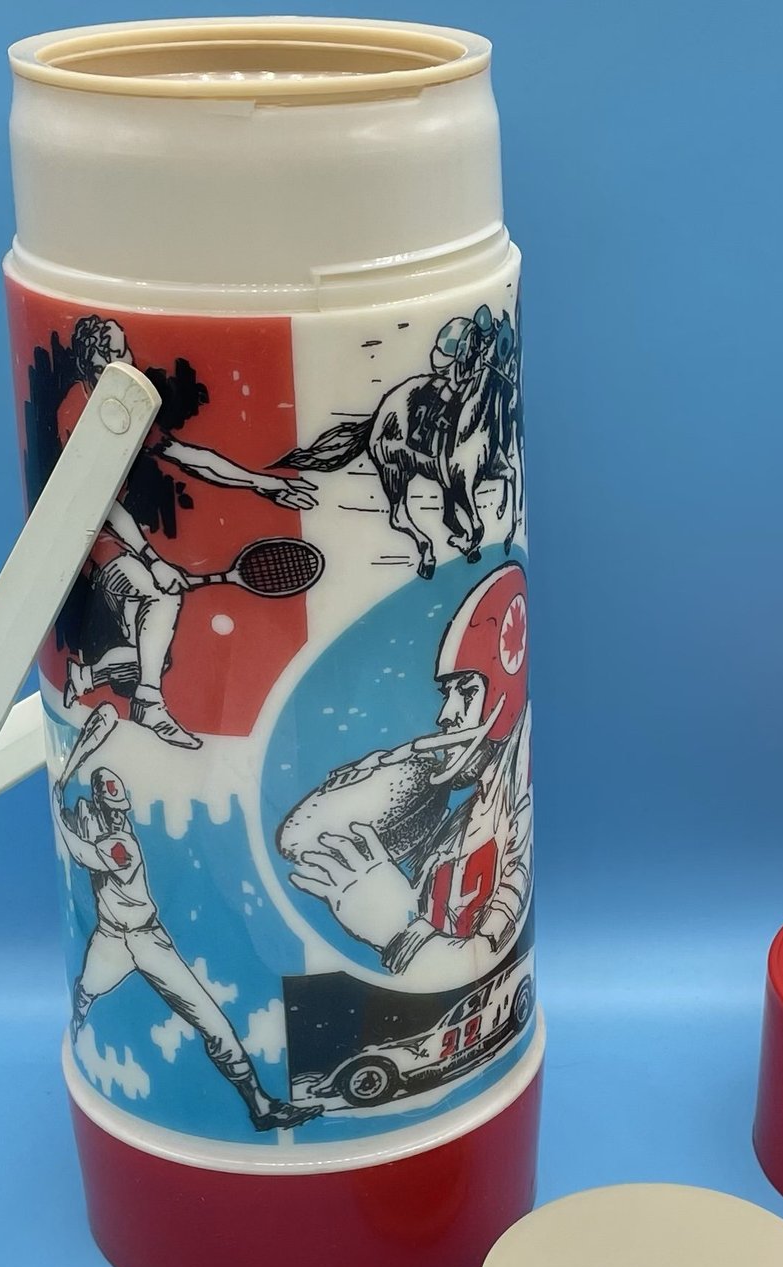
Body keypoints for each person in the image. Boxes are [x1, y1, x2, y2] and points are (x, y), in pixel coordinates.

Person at [46, 315, 317, 750]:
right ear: (91, 361)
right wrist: (154, 561)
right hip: (88, 542)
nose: (126, 359)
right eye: (113, 353)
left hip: (117, 542)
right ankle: (148, 705)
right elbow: (103, 506)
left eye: (124, 349)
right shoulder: (76, 412)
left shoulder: (124, 402)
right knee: (161, 595)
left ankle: (86, 677)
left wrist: (263, 483)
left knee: (154, 655)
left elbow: (190, 457)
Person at [289, 562, 532, 990]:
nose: (446, 715)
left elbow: (486, 963)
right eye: (447, 694)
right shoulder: (450, 832)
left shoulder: (516, 823)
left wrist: (394, 928)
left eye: (467, 691)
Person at [55, 764, 319, 1133]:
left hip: (148, 941)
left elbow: (87, 854)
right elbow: (82, 830)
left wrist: (58, 809)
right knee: (85, 993)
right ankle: (82, 1033)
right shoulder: (96, 824)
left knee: (214, 1025)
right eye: (109, 802)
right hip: (110, 938)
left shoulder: (120, 842)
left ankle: (260, 1107)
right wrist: (63, 803)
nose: (116, 810)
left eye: (118, 803)